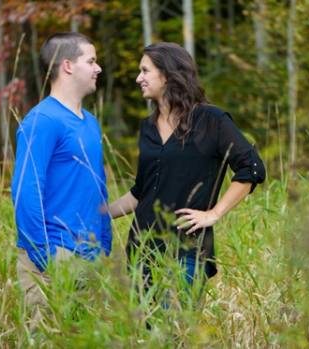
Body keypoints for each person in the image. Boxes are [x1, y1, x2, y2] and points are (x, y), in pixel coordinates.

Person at [108, 42, 265, 304]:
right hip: (141, 251)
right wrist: (99, 213)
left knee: (174, 335)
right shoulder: (147, 127)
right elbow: (142, 191)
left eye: (145, 71)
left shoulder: (211, 120)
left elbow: (251, 168)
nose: (139, 78)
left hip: (186, 251)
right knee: (147, 338)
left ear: (167, 74)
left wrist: (214, 214)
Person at [11, 32, 110, 332]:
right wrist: (45, 257)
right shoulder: (42, 120)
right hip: (55, 253)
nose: (98, 68)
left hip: (91, 255)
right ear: (68, 65)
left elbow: (98, 187)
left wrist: (104, 244)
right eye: (91, 61)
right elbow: (26, 192)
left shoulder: (90, 121)